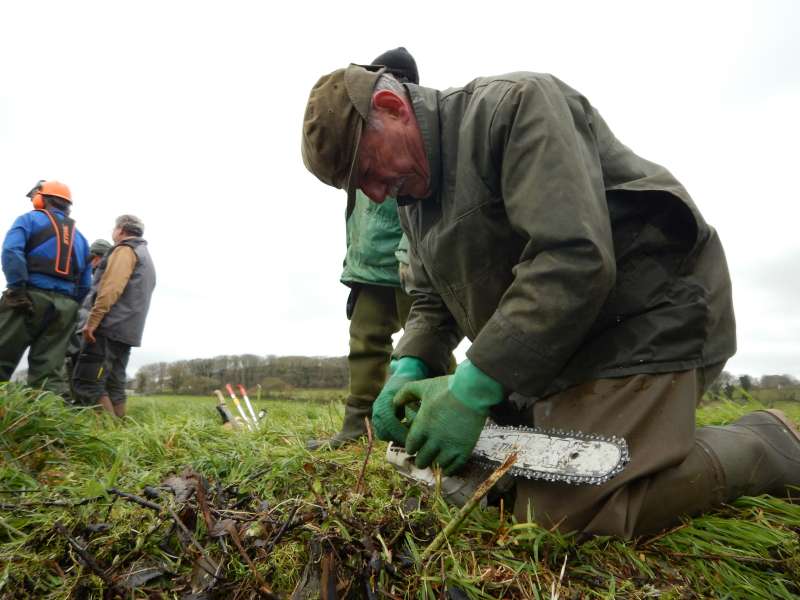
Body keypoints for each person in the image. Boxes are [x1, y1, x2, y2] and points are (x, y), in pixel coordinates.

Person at [300, 65, 800, 538]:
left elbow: (573, 257)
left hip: (652, 322)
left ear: (391, 106)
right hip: (560, 352)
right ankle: (652, 435)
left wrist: (474, 387)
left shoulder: (515, 109)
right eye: (359, 188)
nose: (377, 195)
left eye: (367, 169)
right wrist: (408, 366)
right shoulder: (413, 199)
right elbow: (432, 298)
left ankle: (766, 442)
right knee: (491, 481)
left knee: (566, 512)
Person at [307, 47, 420, 451]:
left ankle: (425, 424)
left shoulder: (409, 139)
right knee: (366, 345)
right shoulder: (360, 136)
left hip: (411, 263)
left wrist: (413, 256)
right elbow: (357, 216)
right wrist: (351, 267)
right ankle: (359, 428)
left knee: (424, 345)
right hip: (369, 267)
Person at [0, 180, 92, 394]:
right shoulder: (81, 238)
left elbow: (11, 252)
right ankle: (45, 421)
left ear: (42, 199)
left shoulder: (29, 220)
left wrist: (17, 288)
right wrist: (69, 304)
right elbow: (86, 282)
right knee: (49, 372)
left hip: (27, 298)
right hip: (65, 307)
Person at [72, 215, 156, 417]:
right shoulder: (146, 256)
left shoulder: (125, 250)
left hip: (108, 329)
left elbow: (110, 289)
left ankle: (107, 436)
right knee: (114, 386)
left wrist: (92, 322)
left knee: (89, 383)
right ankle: (122, 434)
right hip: (127, 332)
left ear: (120, 230)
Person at [63, 238, 112, 400]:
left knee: (83, 379)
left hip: (86, 334)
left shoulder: (100, 280)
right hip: (88, 333)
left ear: (97, 258)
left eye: (93, 258)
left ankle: (85, 410)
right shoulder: (104, 277)